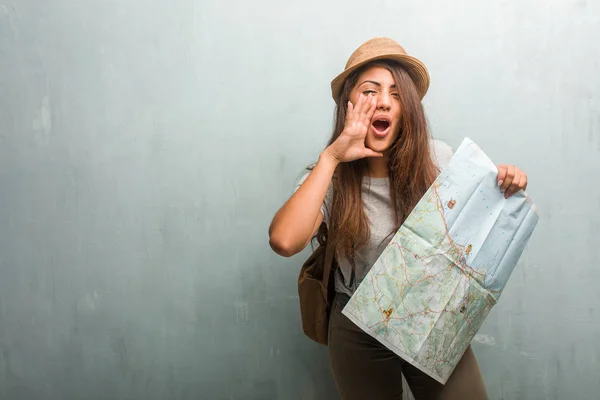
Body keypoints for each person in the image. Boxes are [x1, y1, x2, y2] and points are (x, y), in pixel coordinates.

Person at [268, 37, 528, 400]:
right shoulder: (328, 175)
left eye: (395, 92)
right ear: (349, 104)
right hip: (357, 326)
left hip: (433, 316)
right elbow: (283, 240)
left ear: (407, 107)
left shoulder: (440, 160)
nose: (384, 101)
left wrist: (507, 182)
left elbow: (479, 231)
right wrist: (332, 158)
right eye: (370, 91)